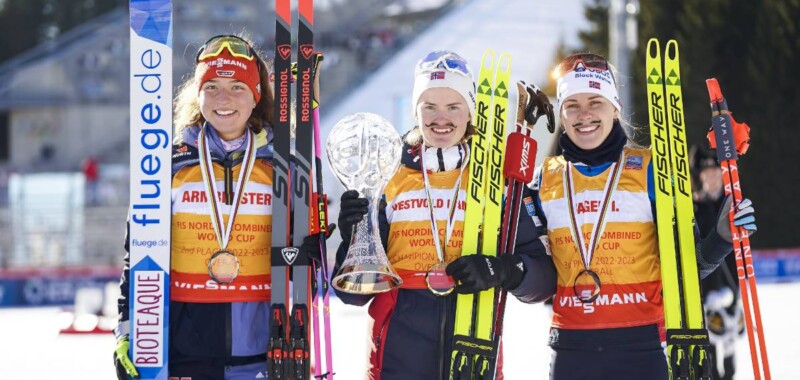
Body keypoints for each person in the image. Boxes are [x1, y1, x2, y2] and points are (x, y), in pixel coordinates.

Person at [448, 52, 758, 380]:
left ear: (615, 108)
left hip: (645, 349)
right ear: (562, 115)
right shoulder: (542, 183)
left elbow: (686, 269)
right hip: (571, 352)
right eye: (572, 105)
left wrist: (721, 238)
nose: (584, 115)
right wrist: (507, 271)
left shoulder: (653, 172)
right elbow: (540, 281)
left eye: (595, 101)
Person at [113, 34, 321, 380]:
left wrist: (309, 253)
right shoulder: (168, 164)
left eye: (237, 86)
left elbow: (302, 265)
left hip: (262, 351)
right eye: (212, 86)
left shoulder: (282, 166)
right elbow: (136, 256)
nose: (224, 98)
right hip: (183, 353)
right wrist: (126, 330)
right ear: (198, 94)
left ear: (256, 95)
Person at [333, 50, 544, 379]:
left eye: (453, 106)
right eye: (429, 106)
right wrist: (353, 238)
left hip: (473, 348)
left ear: (470, 112)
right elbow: (352, 295)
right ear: (416, 110)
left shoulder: (495, 180)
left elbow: (541, 282)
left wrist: (502, 270)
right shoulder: (388, 176)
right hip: (396, 356)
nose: (440, 118)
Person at [691, 145, 745, 380]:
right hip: (704, 287)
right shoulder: (692, 207)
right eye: (706, 172)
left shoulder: (731, 205)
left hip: (731, 284)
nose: (712, 176)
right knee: (708, 359)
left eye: (716, 172)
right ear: (699, 176)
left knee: (730, 357)